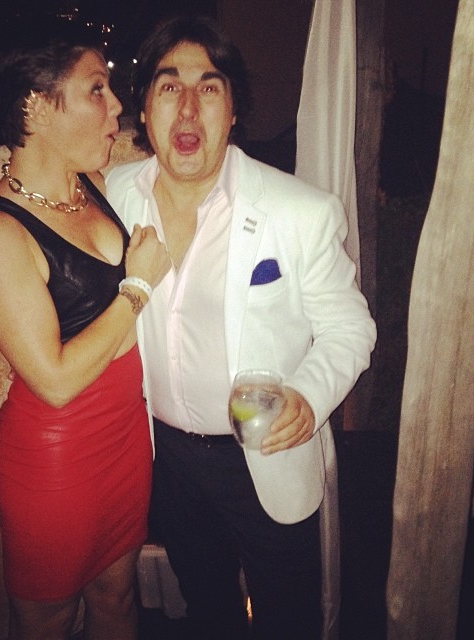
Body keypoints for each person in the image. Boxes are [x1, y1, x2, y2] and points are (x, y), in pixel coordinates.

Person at [106, 15, 377, 640]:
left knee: (288, 616)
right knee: (206, 609)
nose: (188, 108)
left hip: (264, 453)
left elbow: (350, 327)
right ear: (144, 110)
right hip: (167, 460)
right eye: (169, 87)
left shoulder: (299, 211)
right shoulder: (116, 196)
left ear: (233, 111)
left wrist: (308, 397)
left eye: (209, 87)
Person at [0, 24, 170, 640]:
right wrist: (138, 287)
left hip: (125, 442)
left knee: (118, 597)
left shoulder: (95, 188)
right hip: (55, 461)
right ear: (35, 106)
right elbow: (52, 381)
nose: (116, 106)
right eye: (96, 89)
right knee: (47, 622)